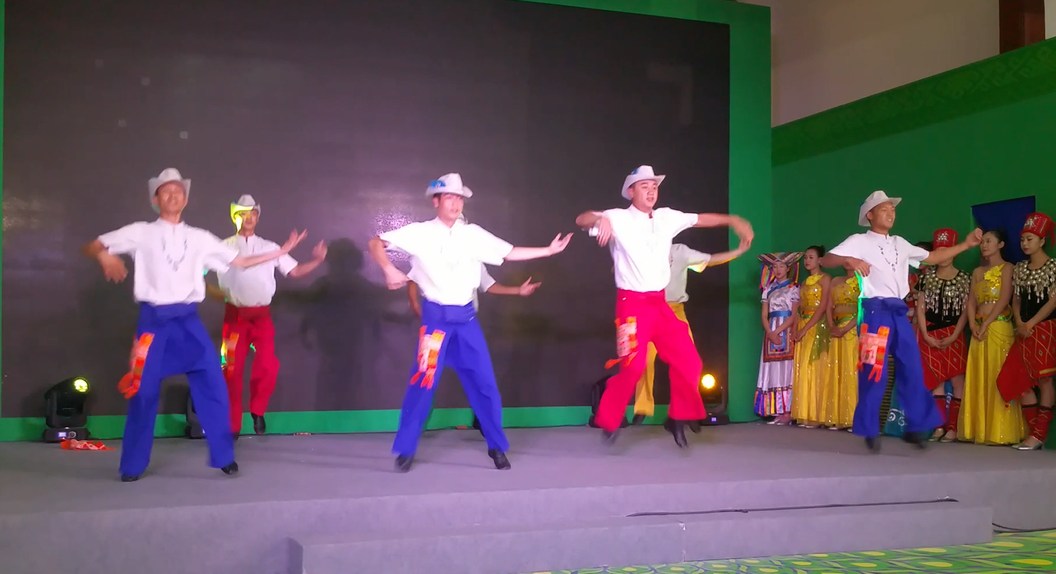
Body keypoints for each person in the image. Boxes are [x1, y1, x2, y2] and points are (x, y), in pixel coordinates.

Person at [81, 168, 306, 481]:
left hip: (188, 321)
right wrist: (105, 257)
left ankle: (224, 455)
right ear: (155, 199)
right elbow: (93, 245)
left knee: (213, 383)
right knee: (143, 392)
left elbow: (240, 262)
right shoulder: (140, 232)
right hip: (153, 324)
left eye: (178, 191)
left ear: (185, 200)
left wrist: (281, 252)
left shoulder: (200, 238)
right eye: (166, 191)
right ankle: (132, 465)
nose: (172, 195)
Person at [367, 173, 571, 472]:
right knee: (423, 382)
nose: (456, 203)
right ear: (436, 201)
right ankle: (406, 448)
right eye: (450, 197)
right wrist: (387, 269)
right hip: (435, 324)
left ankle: (496, 446)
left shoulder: (473, 234)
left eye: (459, 198)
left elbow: (509, 252)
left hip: (466, 321)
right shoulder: (419, 232)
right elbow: (375, 243)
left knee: (485, 384)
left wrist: (548, 250)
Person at [575, 165, 754, 448]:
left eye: (654, 186)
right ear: (631, 191)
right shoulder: (617, 217)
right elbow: (581, 219)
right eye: (644, 186)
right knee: (633, 368)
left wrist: (733, 220)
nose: (651, 190)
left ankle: (677, 417)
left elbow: (701, 219)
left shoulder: (667, 217)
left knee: (690, 362)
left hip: (660, 305)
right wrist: (599, 218)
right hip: (631, 307)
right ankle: (609, 417)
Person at [820, 190, 981, 452]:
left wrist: (965, 245)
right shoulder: (859, 241)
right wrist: (850, 259)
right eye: (884, 209)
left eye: (893, 209)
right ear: (870, 215)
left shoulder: (900, 243)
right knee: (874, 370)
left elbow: (932, 257)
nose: (890, 213)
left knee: (912, 367)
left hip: (898, 312)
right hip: (874, 312)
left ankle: (916, 426)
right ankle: (870, 428)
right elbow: (827, 259)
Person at [208, 195, 328, 437]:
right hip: (235, 318)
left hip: (261, 317)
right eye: (243, 213)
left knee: (268, 366)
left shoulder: (270, 247)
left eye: (253, 213)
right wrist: (215, 292)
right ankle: (232, 426)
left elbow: (294, 271)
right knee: (231, 371)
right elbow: (197, 273)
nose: (248, 217)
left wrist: (317, 260)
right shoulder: (222, 248)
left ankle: (258, 410)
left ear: (258, 217)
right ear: (235, 217)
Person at [630, 242, 749, 424]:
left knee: (688, 362)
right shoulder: (643, 250)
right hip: (650, 311)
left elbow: (710, 260)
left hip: (675, 310)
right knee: (643, 359)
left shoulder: (680, 251)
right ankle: (643, 407)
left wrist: (738, 251)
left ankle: (686, 409)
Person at [998, 212, 1056, 450]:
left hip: (1045, 328)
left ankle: (1039, 435)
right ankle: (1033, 433)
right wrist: (1020, 322)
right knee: (1019, 380)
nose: (1025, 243)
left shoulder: (1053, 266)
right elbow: (1016, 300)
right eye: (1022, 239)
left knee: (1044, 380)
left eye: (1030, 239)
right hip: (1022, 329)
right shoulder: (1020, 268)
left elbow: (1053, 301)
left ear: (1042, 241)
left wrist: (1031, 323)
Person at [960, 229, 1024, 445]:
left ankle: (1000, 431)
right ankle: (979, 429)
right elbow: (971, 301)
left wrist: (986, 323)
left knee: (999, 374)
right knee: (979, 375)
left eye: (989, 241)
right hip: (978, 329)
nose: (984, 245)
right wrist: (972, 323)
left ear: (1001, 245)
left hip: (998, 327)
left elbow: (1005, 298)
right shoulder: (977, 271)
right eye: (982, 242)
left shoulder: (1008, 268)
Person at [915, 229, 971, 442]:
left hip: (953, 333)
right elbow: (920, 308)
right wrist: (926, 334)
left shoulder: (964, 278)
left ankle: (953, 428)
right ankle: (939, 427)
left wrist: (955, 334)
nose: (944, 255)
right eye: (939, 250)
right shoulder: (927, 277)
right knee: (936, 381)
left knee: (957, 381)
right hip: (931, 333)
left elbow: (965, 311)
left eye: (948, 250)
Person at [755, 252, 802, 424]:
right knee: (772, 368)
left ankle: (788, 410)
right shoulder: (768, 289)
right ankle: (775, 409)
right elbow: (764, 315)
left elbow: (793, 315)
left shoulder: (794, 288)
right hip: (771, 329)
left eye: (781, 266)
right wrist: (770, 332)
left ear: (788, 268)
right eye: (775, 266)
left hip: (786, 329)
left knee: (786, 368)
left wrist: (778, 331)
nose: (778, 269)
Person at [791, 245, 831, 428]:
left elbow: (822, 307)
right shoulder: (805, 282)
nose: (807, 261)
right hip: (803, 324)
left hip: (817, 326)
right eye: (805, 257)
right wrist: (796, 327)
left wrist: (805, 328)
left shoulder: (825, 279)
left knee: (816, 368)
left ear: (820, 260)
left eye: (811, 257)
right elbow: (799, 307)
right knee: (803, 368)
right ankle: (805, 413)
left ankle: (818, 415)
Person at [822, 271, 861, 430]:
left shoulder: (863, 280)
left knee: (852, 370)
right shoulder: (836, 280)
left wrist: (846, 328)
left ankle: (853, 418)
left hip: (853, 329)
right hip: (836, 328)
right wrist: (832, 325)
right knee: (837, 370)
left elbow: (862, 307)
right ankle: (837, 416)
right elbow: (829, 306)